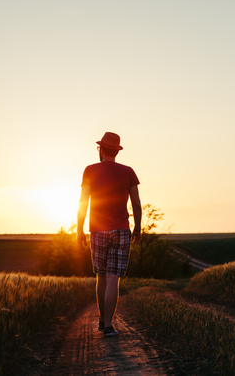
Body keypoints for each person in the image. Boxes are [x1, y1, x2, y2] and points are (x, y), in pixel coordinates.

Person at [77, 132, 142, 337]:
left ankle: (103, 320)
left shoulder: (89, 170)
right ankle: (108, 325)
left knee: (101, 276)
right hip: (121, 230)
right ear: (117, 151)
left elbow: (83, 202)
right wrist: (138, 228)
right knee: (113, 278)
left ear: (101, 149)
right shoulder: (128, 172)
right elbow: (136, 203)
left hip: (97, 230)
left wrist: (79, 229)